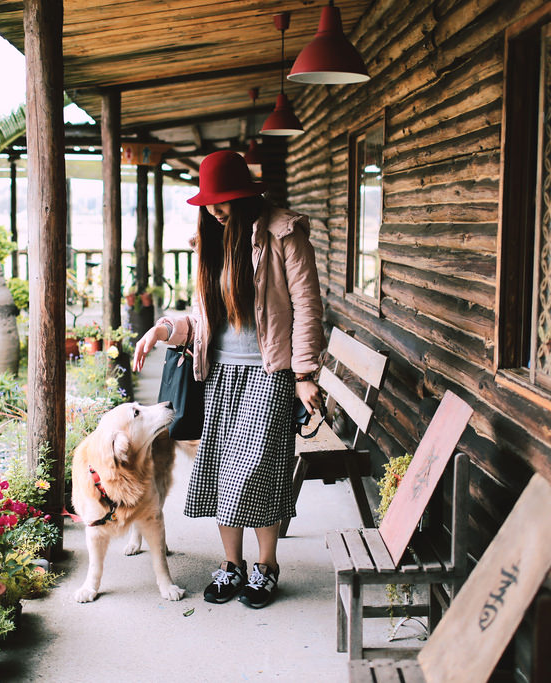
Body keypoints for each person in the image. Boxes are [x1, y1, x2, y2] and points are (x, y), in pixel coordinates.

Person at [132, 150, 325, 609]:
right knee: (222, 473)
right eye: (209, 204)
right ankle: (232, 565)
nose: (215, 211)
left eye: (222, 203)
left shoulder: (284, 234)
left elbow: (308, 308)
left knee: (257, 473)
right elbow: (201, 320)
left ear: (243, 196)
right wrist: (162, 329)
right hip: (218, 374)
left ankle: (267, 566)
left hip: (269, 373)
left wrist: (303, 374)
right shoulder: (212, 241)